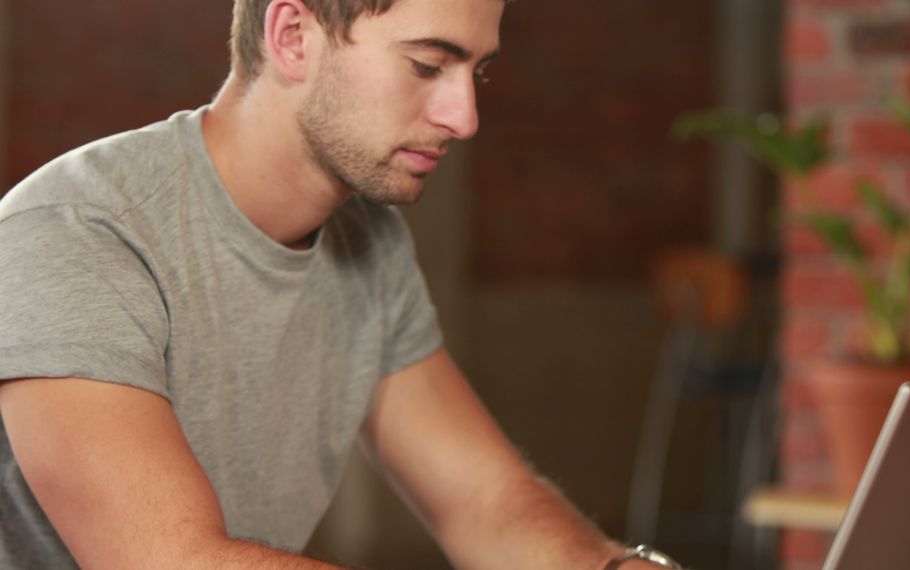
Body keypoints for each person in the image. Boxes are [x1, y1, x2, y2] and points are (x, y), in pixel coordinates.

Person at [0, 0, 686, 568]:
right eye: (426, 65)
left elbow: (486, 502)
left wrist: (617, 568)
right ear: (293, 36)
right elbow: (171, 561)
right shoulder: (76, 231)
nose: (463, 118)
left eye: (475, 75)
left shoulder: (369, 242)